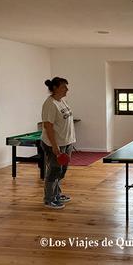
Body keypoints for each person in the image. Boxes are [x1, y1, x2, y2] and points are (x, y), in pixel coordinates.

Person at [41, 77, 76, 209]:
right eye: (64, 87)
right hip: (54, 144)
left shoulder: (62, 101)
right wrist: (55, 146)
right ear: (55, 88)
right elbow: (48, 126)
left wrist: (70, 141)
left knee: (61, 171)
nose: (67, 89)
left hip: (67, 142)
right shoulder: (50, 104)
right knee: (54, 171)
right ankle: (49, 199)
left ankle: (56, 194)